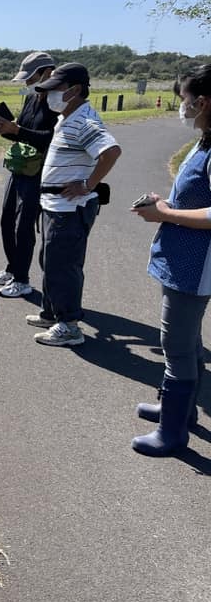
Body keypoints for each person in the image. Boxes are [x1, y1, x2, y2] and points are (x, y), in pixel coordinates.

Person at [129, 64, 211, 456]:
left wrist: (164, 214)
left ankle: (172, 432)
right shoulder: (205, 139)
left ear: (203, 101)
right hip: (182, 260)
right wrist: (165, 204)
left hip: (196, 266)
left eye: (184, 99)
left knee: (176, 344)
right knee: (188, 340)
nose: (182, 106)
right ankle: (180, 411)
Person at [27, 63, 121, 346]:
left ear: (75, 90)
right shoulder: (67, 117)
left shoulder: (85, 121)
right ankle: (51, 312)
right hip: (55, 205)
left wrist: (88, 184)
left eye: (55, 90)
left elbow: (111, 151)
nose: (49, 96)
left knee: (63, 265)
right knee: (50, 260)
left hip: (70, 209)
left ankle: (68, 325)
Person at [0, 51, 59, 298]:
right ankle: (12, 268)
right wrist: (6, 130)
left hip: (39, 172)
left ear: (47, 72)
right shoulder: (31, 99)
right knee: (6, 220)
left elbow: (50, 139)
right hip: (20, 167)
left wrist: (17, 130)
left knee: (24, 226)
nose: (28, 83)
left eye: (31, 77)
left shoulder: (57, 103)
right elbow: (23, 132)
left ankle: (22, 279)